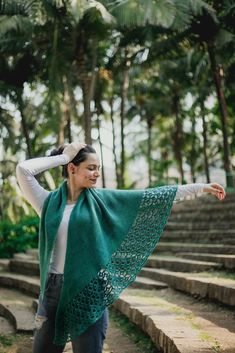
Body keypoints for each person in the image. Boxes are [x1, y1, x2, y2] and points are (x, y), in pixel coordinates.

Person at [16, 142, 226, 353]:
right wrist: (63, 157)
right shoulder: (48, 202)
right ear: (72, 168)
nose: (97, 173)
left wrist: (200, 188)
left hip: (91, 289)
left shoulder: (103, 200)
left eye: (98, 167)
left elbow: (154, 197)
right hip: (53, 290)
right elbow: (23, 170)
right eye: (91, 168)